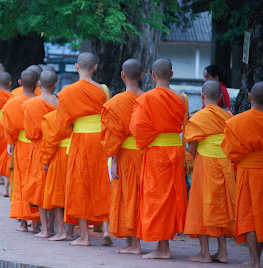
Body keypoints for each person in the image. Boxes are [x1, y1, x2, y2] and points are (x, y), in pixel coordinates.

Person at [129, 58, 188, 259]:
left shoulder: (147, 98)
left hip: (157, 153)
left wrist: (147, 139)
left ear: (153, 75)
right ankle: (164, 246)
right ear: (171, 75)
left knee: (157, 197)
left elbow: (136, 128)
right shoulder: (181, 98)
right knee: (171, 197)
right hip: (176, 150)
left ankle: (163, 249)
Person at [56, 52, 112, 246]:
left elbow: (63, 124)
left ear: (76, 67)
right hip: (99, 140)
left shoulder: (68, 92)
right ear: (95, 67)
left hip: (80, 138)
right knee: (101, 181)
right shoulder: (104, 89)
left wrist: (79, 123)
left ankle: (84, 237)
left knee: (79, 183)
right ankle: (106, 229)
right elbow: (107, 117)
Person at [222, 81, 263, 268]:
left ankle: (254, 261)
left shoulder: (236, 122)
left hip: (246, 170)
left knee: (248, 215)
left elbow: (230, 152)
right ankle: (256, 260)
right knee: (262, 214)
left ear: (249, 97)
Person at [184, 80, 236, 263]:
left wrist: (200, 156)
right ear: (221, 98)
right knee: (221, 206)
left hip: (205, 163)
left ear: (202, 97)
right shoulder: (229, 116)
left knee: (201, 206)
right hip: (225, 165)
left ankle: (205, 253)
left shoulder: (198, 117)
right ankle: (222, 252)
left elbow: (191, 146)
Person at [101, 59, 145, 254]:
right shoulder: (148, 99)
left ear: (122, 75)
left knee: (128, 196)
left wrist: (114, 160)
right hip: (145, 153)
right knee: (140, 197)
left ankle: (133, 245)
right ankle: (132, 242)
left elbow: (114, 136)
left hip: (126, 155)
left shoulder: (116, 103)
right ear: (142, 75)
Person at [0, 69, 40, 232]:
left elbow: (8, 127)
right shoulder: (42, 102)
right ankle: (37, 223)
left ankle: (23, 223)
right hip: (38, 146)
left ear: (20, 83)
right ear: (38, 84)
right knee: (36, 181)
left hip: (22, 146)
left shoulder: (13, 104)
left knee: (21, 182)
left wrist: (11, 142)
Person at [23, 70, 59, 238]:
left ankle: (44, 229)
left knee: (40, 188)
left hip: (38, 148)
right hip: (56, 149)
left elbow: (29, 133)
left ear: (38, 84)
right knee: (53, 188)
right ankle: (52, 227)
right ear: (55, 85)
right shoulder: (60, 104)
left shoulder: (30, 104)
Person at [41, 110, 75, 241]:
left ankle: (62, 232)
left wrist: (46, 160)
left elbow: (51, 142)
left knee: (57, 194)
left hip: (59, 156)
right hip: (73, 154)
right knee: (72, 194)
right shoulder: (75, 115)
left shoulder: (51, 117)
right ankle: (71, 232)